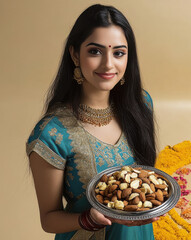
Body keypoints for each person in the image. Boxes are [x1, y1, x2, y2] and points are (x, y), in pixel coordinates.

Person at [26, 4, 158, 240]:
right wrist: (88, 219)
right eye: (95, 52)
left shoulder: (140, 105)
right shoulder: (53, 134)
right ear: (75, 54)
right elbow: (48, 219)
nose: (108, 64)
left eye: (118, 53)